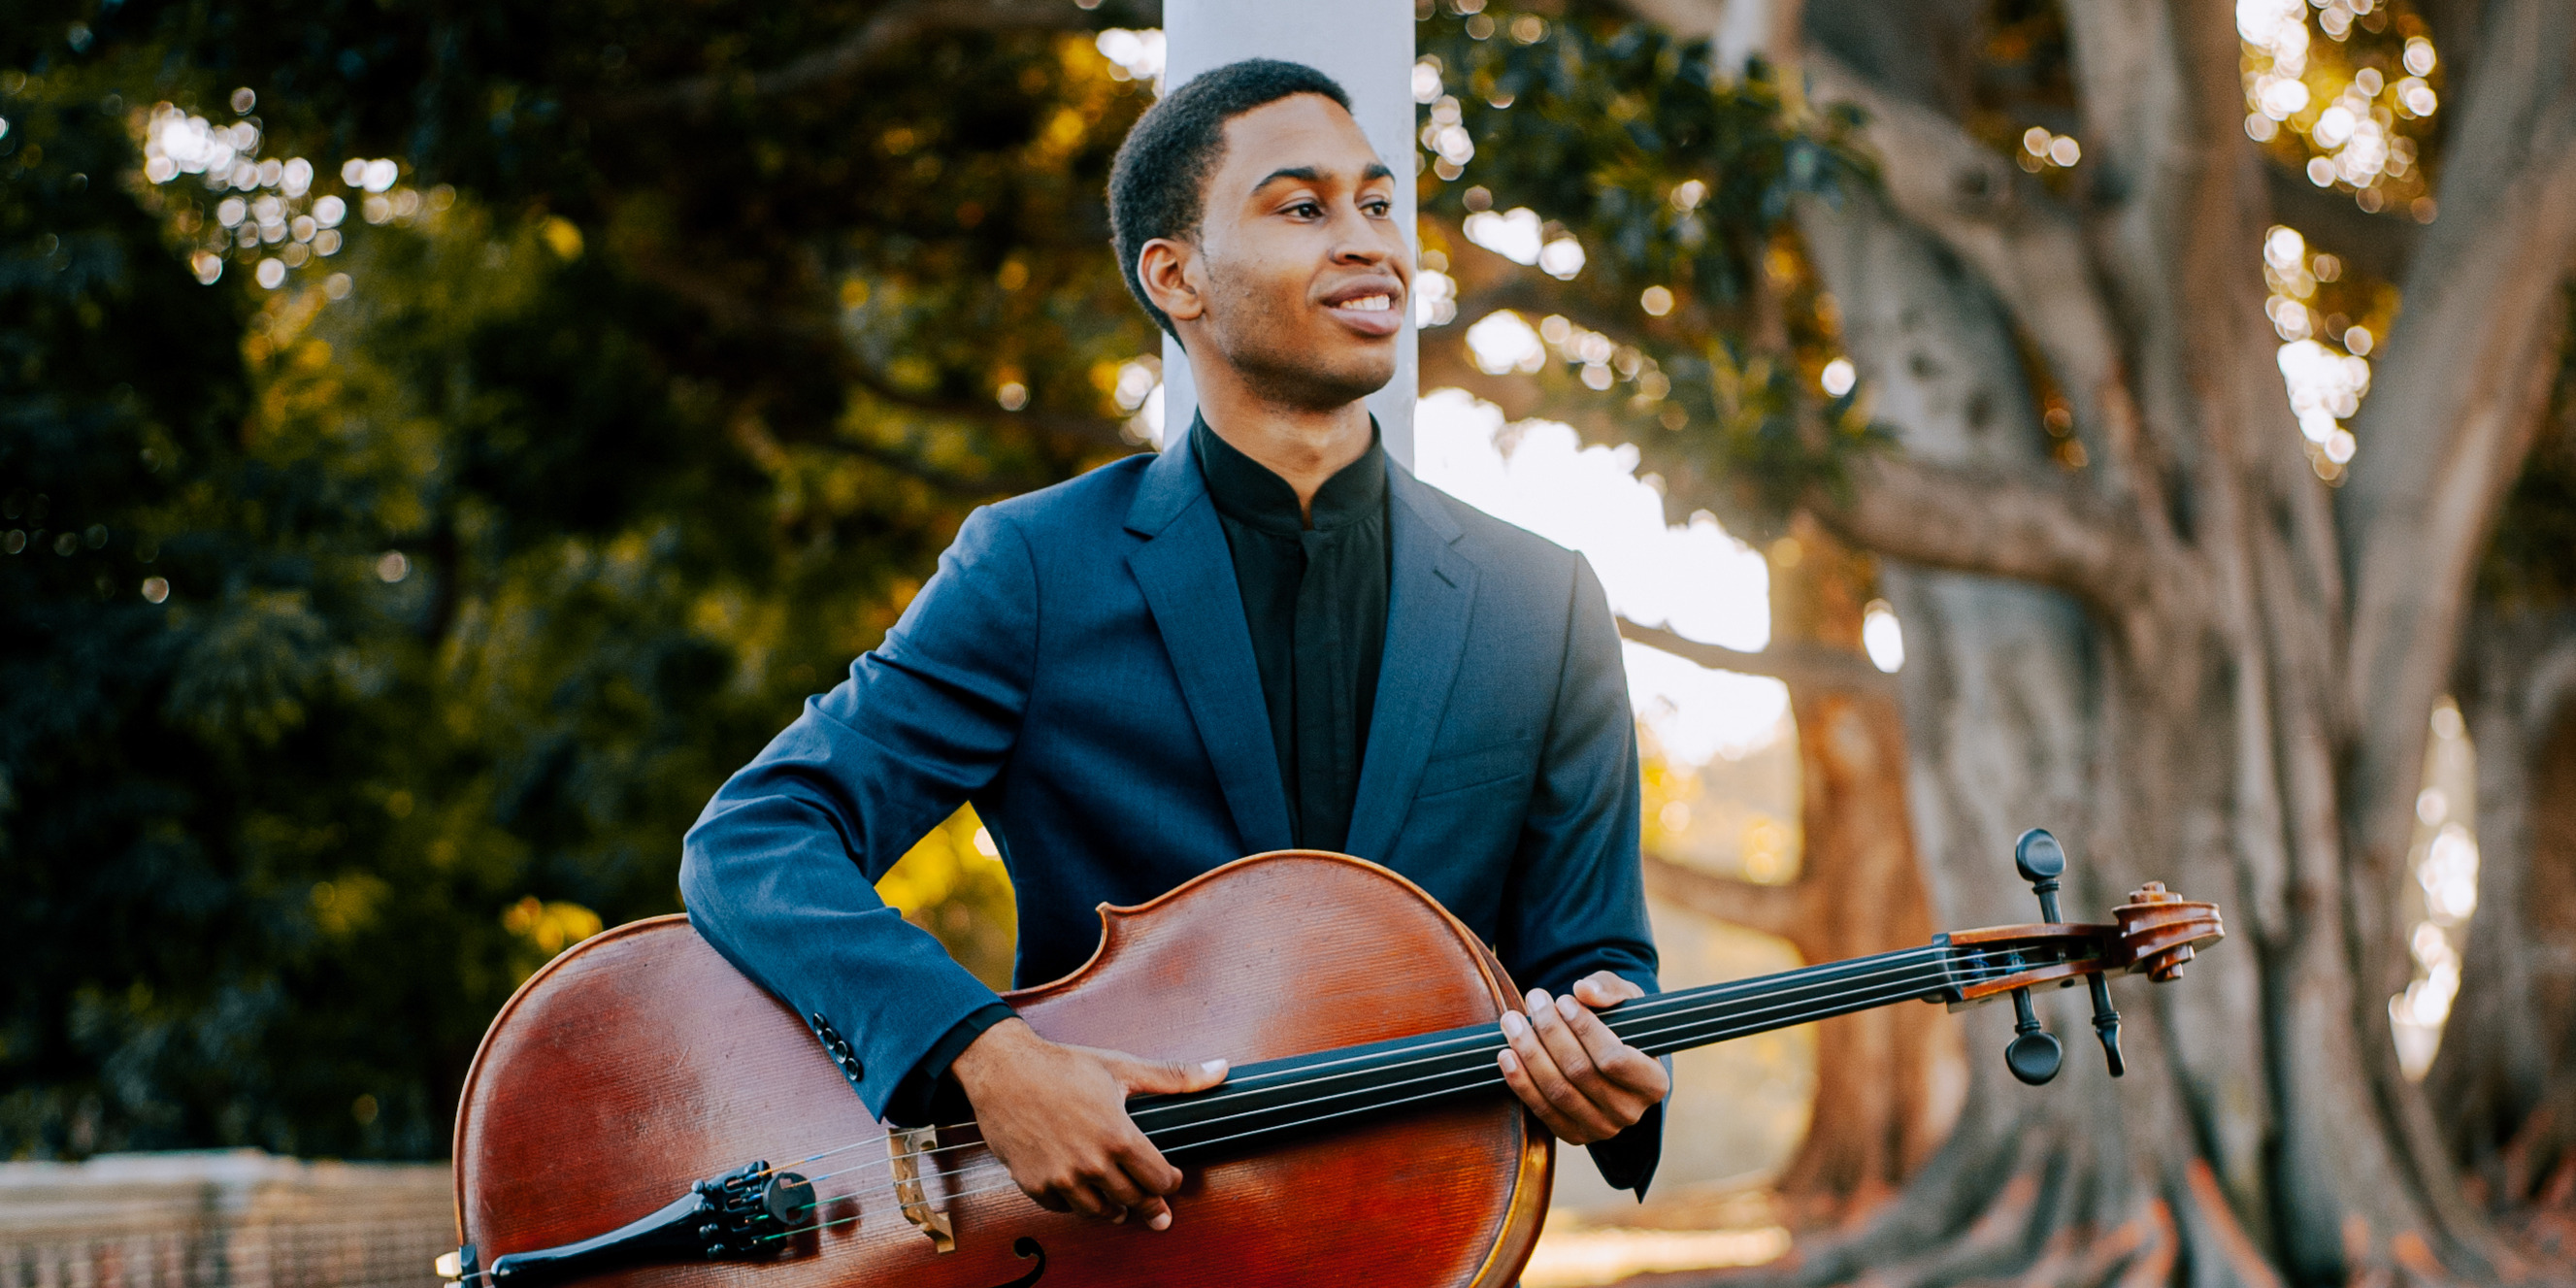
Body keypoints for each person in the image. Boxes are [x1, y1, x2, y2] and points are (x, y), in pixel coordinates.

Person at [678, 57, 1668, 1237]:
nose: (1366, 241)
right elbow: (754, 839)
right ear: (1176, 275)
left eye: (1378, 202)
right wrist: (984, 1058)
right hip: (1108, 1249)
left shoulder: (1543, 600)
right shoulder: (1032, 568)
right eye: (1302, 208)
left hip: (1413, 1242)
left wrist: (1610, 1064)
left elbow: (1594, 957)